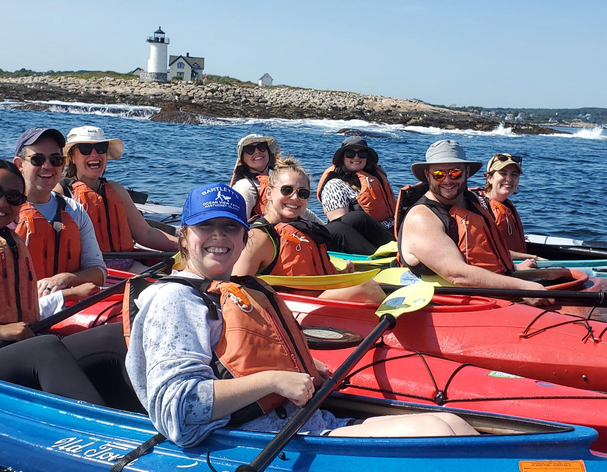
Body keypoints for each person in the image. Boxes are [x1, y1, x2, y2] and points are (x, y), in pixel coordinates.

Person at [125, 183, 477, 447]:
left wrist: (303, 368)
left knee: (451, 424)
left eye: (230, 227)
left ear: (244, 235)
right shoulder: (176, 300)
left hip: (304, 424)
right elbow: (179, 413)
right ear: (184, 237)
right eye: (206, 227)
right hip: (259, 443)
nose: (219, 236)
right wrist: (274, 381)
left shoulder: (240, 288)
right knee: (439, 433)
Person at [0, 159, 106, 404]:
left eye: (14, 197)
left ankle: (147, 421)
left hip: (10, 347)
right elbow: (4, 326)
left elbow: (20, 313)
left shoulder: (8, 241)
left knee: (109, 335)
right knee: (46, 347)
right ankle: (98, 431)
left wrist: (67, 295)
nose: (2, 203)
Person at [396, 140, 552, 306]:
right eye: (439, 175)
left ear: (467, 172)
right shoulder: (421, 217)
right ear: (427, 175)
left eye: (455, 173)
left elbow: (486, 251)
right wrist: (523, 287)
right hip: (452, 305)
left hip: (494, 293)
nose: (447, 180)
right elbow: (458, 274)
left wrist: (513, 268)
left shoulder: (473, 202)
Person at [232, 157, 385, 304]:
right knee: (366, 287)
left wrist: (339, 275)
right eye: (286, 190)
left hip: (318, 300)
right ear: (269, 193)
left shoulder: (304, 228)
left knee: (362, 280)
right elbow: (236, 289)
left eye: (302, 193)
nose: (295, 197)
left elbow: (310, 276)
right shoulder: (259, 237)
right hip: (295, 308)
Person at [56, 125, 177, 271]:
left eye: (101, 148)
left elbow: (146, 233)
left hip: (127, 266)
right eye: (85, 149)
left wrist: (185, 245)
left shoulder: (117, 190)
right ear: (71, 157)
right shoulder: (61, 193)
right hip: (88, 271)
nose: (94, 154)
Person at [11, 127, 107, 296]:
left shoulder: (75, 210)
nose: (47, 166)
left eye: (56, 159)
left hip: (68, 308)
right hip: (18, 309)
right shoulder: (0, 210)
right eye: (37, 159)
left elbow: (99, 272)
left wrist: (65, 279)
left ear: (63, 164)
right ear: (20, 165)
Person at [317, 136, 396, 255]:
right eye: (350, 154)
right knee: (356, 218)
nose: (356, 157)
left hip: (389, 232)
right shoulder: (335, 185)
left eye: (362, 154)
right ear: (342, 158)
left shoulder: (375, 179)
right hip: (363, 241)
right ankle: (383, 257)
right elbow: (341, 228)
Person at [230, 133, 322, 224]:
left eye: (261, 147)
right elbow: (238, 223)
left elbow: (302, 211)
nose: (257, 151)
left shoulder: (280, 181)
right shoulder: (245, 186)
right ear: (243, 158)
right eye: (249, 149)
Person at [471, 154, 542, 265]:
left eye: (514, 175)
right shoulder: (477, 208)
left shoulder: (504, 205)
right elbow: (486, 250)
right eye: (503, 174)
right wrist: (534, 257)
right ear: (490, 178)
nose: (509, 179)